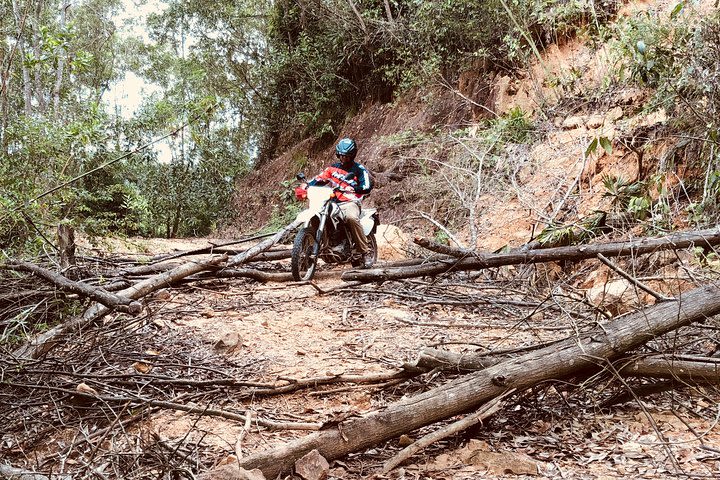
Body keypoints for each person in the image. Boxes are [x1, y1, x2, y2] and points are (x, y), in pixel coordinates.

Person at [300, 138, 374, 268]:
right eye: (341, 155)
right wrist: (306, 185)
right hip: (332, 201)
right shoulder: (332, 168)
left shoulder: (359, 169)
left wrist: (353, 189)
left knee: (351, 218)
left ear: (353, 155)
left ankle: (365, 252)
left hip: (350, 202)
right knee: (316, 215)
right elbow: (319, 179)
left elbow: (367, 186)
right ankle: (311, 251)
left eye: (347, 156)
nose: (344, 158)